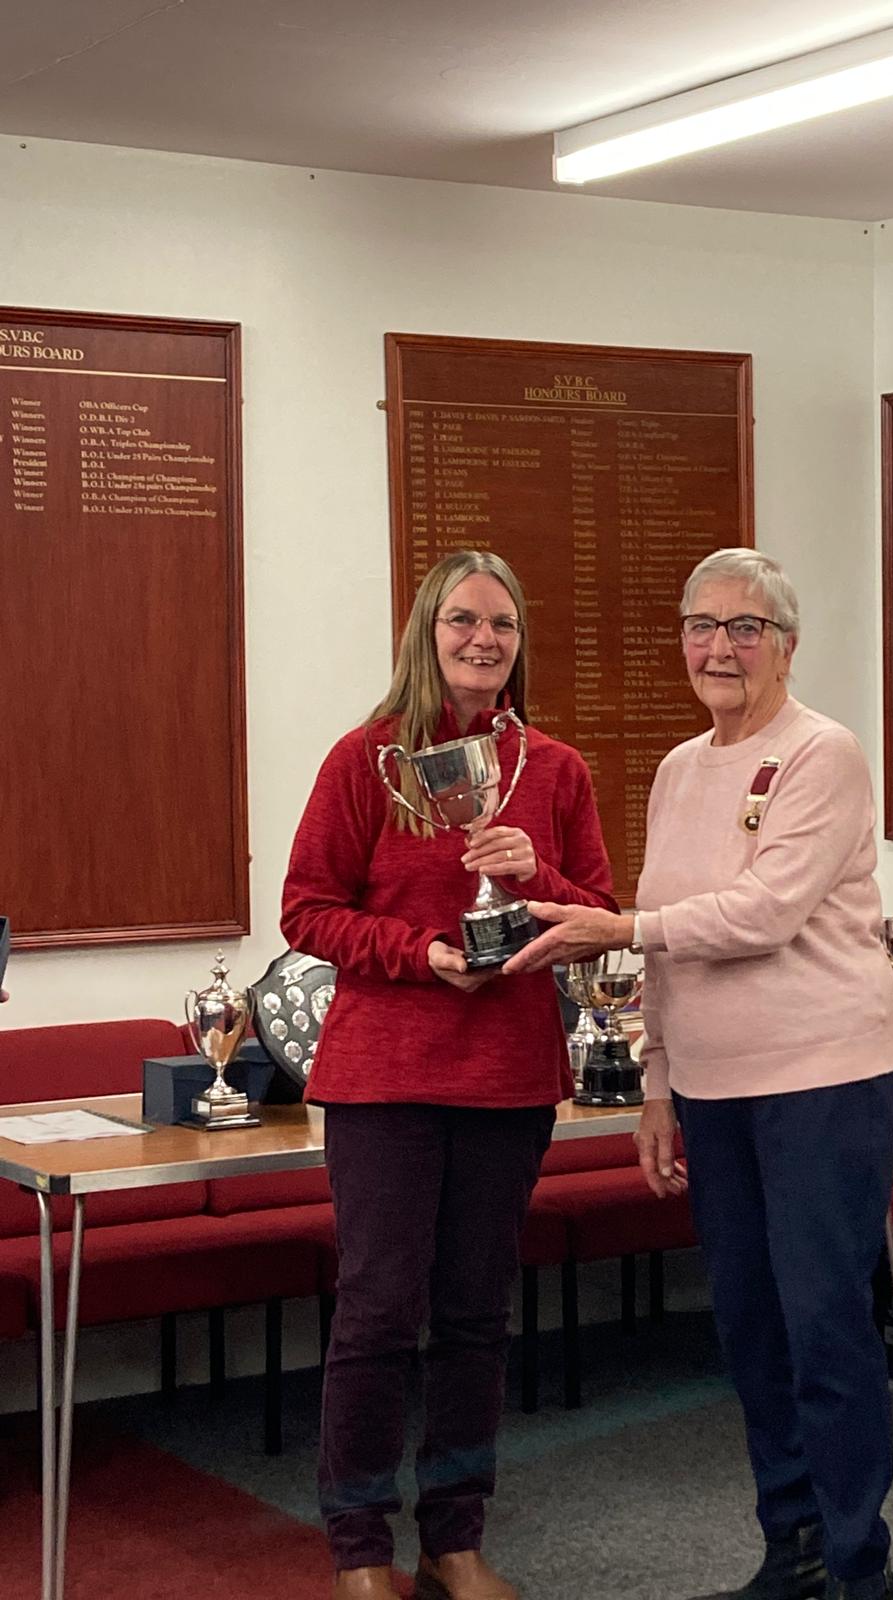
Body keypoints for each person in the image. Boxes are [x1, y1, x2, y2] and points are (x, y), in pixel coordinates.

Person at [504, 548, 893, 1600]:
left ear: (786, 646)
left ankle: (863, 1570)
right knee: (753, 1330)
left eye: (745, 627)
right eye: (701, 625)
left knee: (825, 1329)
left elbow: (764, 913)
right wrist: (658, 1084)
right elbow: (674, 951)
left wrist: (622, 925)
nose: (720, 647)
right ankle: (795, 1553)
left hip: (821, 1083)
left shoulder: (824, 752)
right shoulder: (681, 771)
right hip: (716, 1097)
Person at [282, 550, 617, 1600]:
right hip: (386, 1074)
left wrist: (536, 874)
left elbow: (599, 917)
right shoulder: (365, 759)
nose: (484, 641)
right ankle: (361, 1550)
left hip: (508, 1075)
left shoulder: (556, 769)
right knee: (379, 1310)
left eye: (503, 627)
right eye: (464, 622)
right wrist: (413, 953)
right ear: (426, 633)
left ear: (522, 645)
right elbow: (305, 911)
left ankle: (455, 1538)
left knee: (477, 1313)